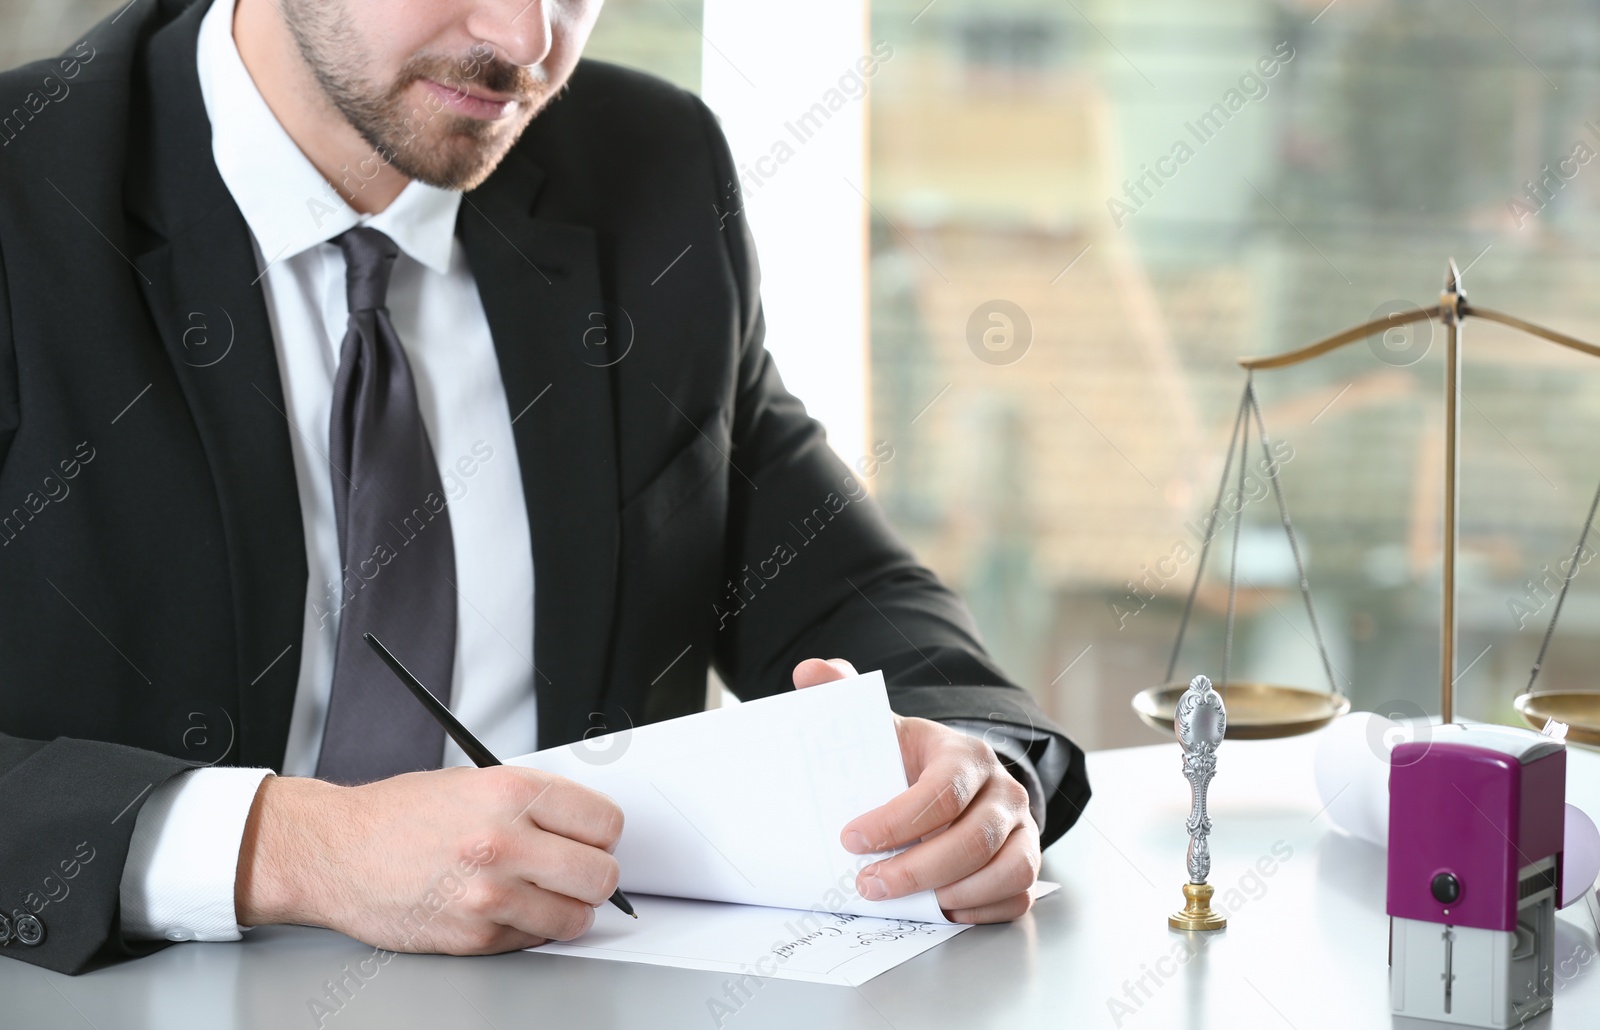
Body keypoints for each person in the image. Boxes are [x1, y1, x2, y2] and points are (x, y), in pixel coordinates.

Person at [0, 0, 1090, 975]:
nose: (525, 42)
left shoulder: (649, 175)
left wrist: (975, 772)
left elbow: (841, 582)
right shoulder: (28, 189)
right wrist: (291, 850)